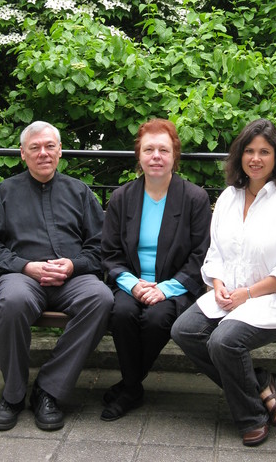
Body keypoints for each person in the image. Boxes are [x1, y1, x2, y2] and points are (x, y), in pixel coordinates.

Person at [171, 119, 276, 447]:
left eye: (264, 151)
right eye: (249, 151)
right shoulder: (229, 198)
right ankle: (262, 383)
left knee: (223, 342)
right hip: (231, 293)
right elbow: (217, 252)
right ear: (239, 156)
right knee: (184, 330)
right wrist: (219, 284)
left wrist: (247, 294)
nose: (255, 158)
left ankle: (251, 415)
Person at [0, 121, 114, 432]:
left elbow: (100, 245)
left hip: (72, 278)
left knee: (101, 298)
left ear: (60, 151)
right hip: (22, 276)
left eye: (50, 146)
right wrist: (25, 266)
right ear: (22, 154)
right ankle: (12, 396)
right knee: (11, 302)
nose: (43, 153)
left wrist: (72, 265)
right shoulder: (5, 192)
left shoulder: (79, 192)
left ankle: (48, 389)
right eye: (35, 148)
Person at [100, 118, 212, 421]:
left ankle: (129, 387)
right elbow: (109, 252)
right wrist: (133, 285)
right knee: (121, 314)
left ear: (174, 154)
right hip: (131, 283)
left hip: (174, 287)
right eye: (149, 149)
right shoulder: (122, 197)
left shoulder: (194, 199)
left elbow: (200, 255)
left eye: (163, 149)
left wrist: (164, 289)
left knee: (157, 318)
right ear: (139, 155)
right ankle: (133, 388)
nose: (156, 156)